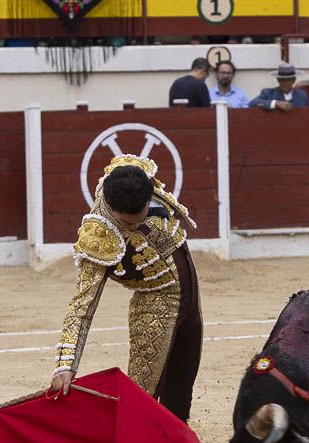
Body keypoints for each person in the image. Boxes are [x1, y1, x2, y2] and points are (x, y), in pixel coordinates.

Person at [50, 155, 202, 427]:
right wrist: (66, 364)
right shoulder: (98, 235)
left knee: (181, 385)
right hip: (155, 305)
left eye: (139, 218)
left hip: (191, 293)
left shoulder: (136, 178)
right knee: (142, 395)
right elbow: (81, 307)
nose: (133, 227)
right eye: (127, 223)